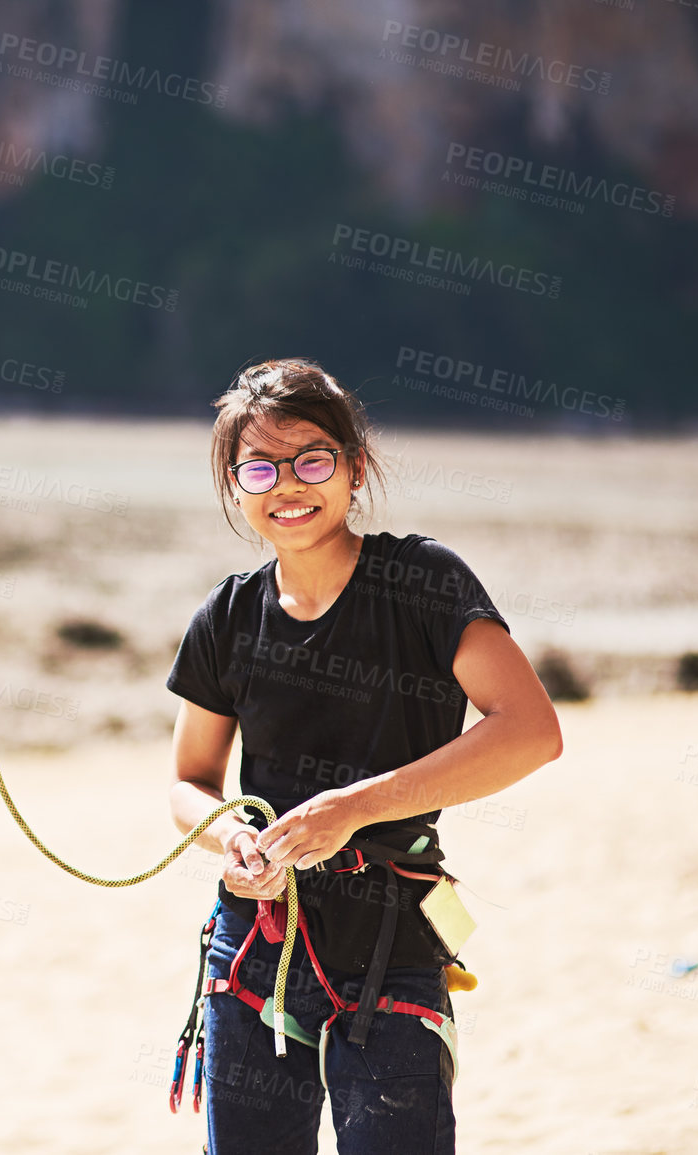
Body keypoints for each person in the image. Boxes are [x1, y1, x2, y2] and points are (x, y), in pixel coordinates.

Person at [165, 358, 561, 1153]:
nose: (287, 484)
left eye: (312, 458)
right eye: (258, 467)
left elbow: (529, 730)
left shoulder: (422, 583)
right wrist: (229, 839)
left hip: (394, 936)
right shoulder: (227, 614)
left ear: (355, 466)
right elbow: (189, 779)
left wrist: (354, 807)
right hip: (252, 943)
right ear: (233, 487)